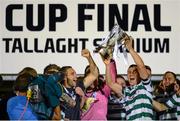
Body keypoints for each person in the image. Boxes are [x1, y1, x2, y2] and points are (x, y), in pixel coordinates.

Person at [105, 36, 153, 120]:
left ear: (139, 74)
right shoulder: (126, 91)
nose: (131, 74)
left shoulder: (145, 86)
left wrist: (130, 49)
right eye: (129, 72)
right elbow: (110, 83)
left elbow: (141, 66)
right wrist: (108, 65)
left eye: (134, 72)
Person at [59, 49, 98, 120]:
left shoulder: (78, 85)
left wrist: (89, 58)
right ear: (64, 77)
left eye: (75, 73)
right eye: (72, 74)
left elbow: (94, 74)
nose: (75, 76)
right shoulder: (58, 89)